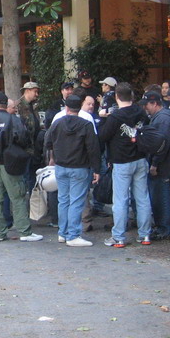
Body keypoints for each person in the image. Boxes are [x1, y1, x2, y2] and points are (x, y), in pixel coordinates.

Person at [0, 91, 41, 243]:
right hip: (10, 163)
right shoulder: (12, 119)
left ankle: (0, 232)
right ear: (6, 105)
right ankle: (24, 231)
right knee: (17, 197)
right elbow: (23, 138)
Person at [100, 82, 154, 247]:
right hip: (140, 158)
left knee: (121, 201)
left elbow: (103, 136)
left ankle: (118, 236)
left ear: (117, 97)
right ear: (131, 96)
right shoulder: (141, 112)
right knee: (142, 198)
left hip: (121, 161)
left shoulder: (115, 117)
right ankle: (145, 235)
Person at [44, 94, 101, 246]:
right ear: (80, 107)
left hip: (61, 166)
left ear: (66, 107)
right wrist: (96, 169)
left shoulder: (57, 123)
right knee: (76, 201)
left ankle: (62, 233)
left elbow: (47, 142)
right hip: (79, 167)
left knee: (63, 200)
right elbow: (93, 148)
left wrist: (56, 154)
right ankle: (73, 235)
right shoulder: (86, 125)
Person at [141, 91, 170, 240]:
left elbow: (161, 144)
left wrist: (155, 164)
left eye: (147, 105)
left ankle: (165, 228)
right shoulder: (161, 118)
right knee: (158, 195)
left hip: (162, 165)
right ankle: (162, 227)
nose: (145, 108)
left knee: (161, 197)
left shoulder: (163, 120)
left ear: (154, 103)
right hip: (162, 163)